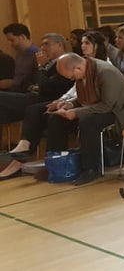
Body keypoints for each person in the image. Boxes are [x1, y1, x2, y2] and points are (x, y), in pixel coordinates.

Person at [46, 53, 124, 185]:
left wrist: (76, 112)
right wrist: (70, 104)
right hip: (96, 108)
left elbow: (107, 105)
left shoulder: (106, 73)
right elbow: (87, 96)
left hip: (117, 112)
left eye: (72, 77)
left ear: (77, 68)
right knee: (56, 120)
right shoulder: (84, 71)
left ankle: (90, 169)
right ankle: (57, 163)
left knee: (88, 123)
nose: (72, 80)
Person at [0, 33, 74, 176]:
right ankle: (17, 159)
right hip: (36, 96)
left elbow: (49, 87)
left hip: (46, 100)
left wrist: (41, 66)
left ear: (59, 45)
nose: (42, 48)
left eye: (47, 44)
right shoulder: (50, 62)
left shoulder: (66, 62)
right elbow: (38, 82)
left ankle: (22, 151)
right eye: (42, 44)